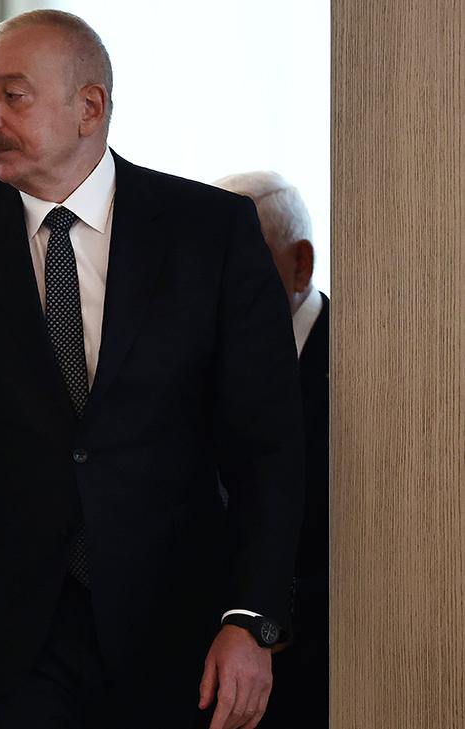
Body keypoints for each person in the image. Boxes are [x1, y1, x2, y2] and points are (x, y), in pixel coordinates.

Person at [0, 10, 305, 729]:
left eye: (12, 95)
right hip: (6, 640)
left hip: (179, 632)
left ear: (90, 106)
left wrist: (251, 618)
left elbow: (268, 447)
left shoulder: (211, 232)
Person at [214, 171, 329, 729]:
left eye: (240, 260)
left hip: (331, 672)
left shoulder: (370, 366)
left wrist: (269, 614)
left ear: (300, 265)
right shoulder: (194, 360)